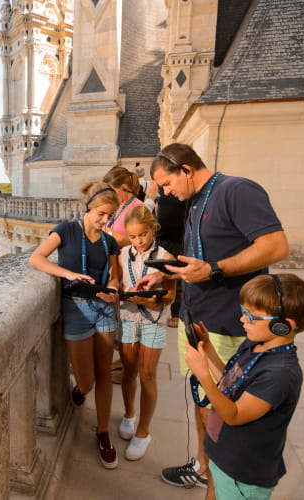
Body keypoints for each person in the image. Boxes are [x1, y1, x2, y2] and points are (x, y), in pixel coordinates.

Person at [135, 143, 289, 498]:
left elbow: (276, 246)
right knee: (203, 406)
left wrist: (215, 270)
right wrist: (168, 275)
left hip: (228, 324)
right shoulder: (195, 200)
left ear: (186, 170)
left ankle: (217, 480)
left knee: (218, 413)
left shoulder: (236, 189)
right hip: (200, 322)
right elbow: (201, 259)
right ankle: (204, 469)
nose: (166, 194)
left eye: (167, 184)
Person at [185, 273, 304, 499]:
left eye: (251, 316)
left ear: (282, 326)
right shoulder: (254, 344)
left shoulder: (280, 374)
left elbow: (235, 415)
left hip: (243, 472)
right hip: (225, 455)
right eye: (243, 312)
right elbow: (229, 379)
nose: (242, 320)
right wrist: (207, 349)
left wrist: (203, 377)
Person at [29, 182, 121, 469]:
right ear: (89, 208)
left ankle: (103, 433)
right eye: (102, 214)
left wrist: (112, 289)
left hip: (104, 310)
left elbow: (116, 279)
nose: (105, 221)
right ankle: (81, 390)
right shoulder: (66, 230)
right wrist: (69, 273)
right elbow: (36, 258)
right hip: (76, 308)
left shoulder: (110, 242)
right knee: (87, 381)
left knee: (104, 375)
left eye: (110, 216)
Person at [116, 205, 175, 460]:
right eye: (132, 236)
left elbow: (171, 295)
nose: (138, 241)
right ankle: (129, 415)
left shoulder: (166, 256)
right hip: (129, 317)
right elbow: (116, 283)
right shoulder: (121, 255)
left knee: (147, 375)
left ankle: (143, 432)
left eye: (142, 234)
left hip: (154, 320)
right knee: (128, 371)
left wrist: (154, 301)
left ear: (153, 229)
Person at [155, 185, 188, 328]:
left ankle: (176, 313)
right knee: (159, 272)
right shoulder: (162, 188)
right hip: (162, 237)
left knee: (177, 276)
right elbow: (157, 205)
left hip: (179, 238)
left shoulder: (182, 187)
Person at [102, 167, 145, 247]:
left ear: (124, 188)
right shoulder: (117, 205)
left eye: (111, 191)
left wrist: (107, 232)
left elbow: (138, 242)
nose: (109, 195)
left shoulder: (138, 208)